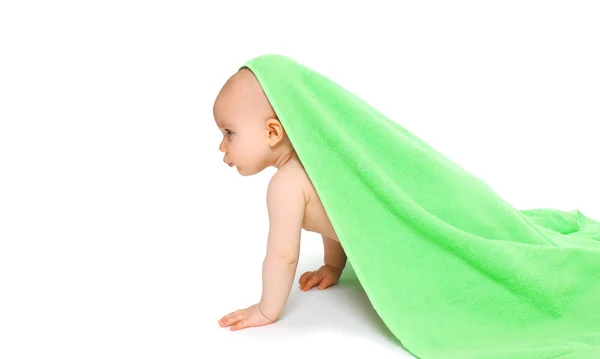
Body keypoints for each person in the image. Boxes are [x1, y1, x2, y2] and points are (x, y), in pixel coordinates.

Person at [214, 67, 348, 331]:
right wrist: (332, 266)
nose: (221, 145)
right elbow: (336, 215)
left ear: (273, 132)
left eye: (229, 133)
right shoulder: (315, 164)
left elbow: (283, 255)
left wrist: (266, 309)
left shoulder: (286, 185)